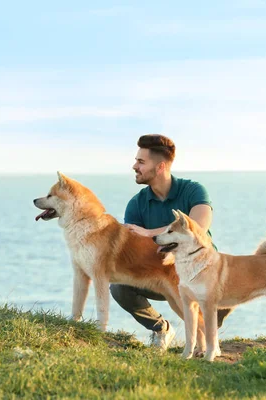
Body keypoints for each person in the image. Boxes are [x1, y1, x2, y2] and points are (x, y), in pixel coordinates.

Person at [110, 134, 232, 351]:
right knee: (119, 287)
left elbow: (198, 228)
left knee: (219, 278)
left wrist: (149, 234)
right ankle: (162, 329)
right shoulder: (136, 204)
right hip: (162, 273)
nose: (134, 166)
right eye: (136, 161)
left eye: (141, 161)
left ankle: (208, 318)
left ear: (160, 167)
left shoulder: (193, 190)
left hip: (200, 273)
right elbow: (137, 250)